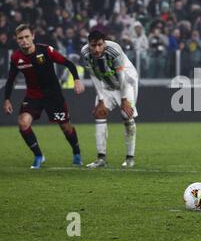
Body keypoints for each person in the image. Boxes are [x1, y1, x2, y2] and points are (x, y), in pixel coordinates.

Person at [3, 24, 85, 169]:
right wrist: (7, 99)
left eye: (27, 37)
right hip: (33, 95)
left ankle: (77, 152)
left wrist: (77, 79)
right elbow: (11, 79)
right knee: (23, 123)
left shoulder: (46, 51)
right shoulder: (16, 57)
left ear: (33, 36)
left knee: (65, 127)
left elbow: (68, 63)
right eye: (20, 38)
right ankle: (38, 155)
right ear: (17, 40)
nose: (24, 40)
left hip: (53, 95)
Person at [80, 30, 139, 168]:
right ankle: (101, 158)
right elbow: (93, 75)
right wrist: (100, 99)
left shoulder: (114, 50)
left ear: (104, 43)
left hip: (127, 83)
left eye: (100, 45)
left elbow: (122, 76)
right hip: (106, 84)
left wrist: (124, 99)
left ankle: (130, 158)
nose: (96, 49)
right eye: (93, 45)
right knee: (99, 113)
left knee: (127, 115)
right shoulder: (85, 53)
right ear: (89, 44)